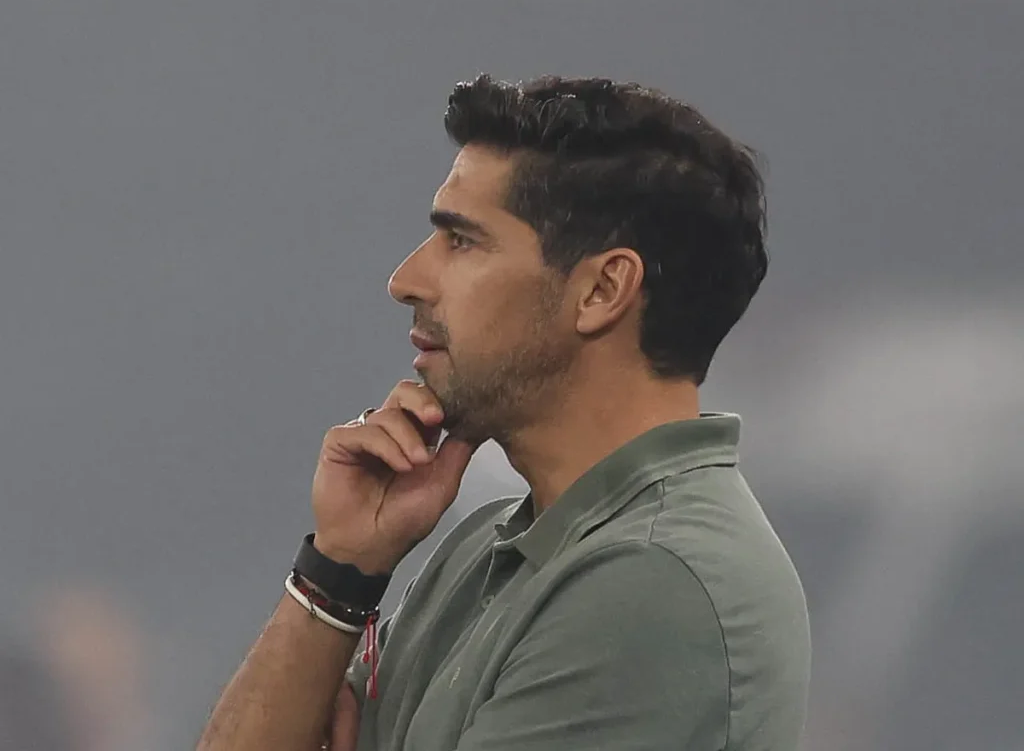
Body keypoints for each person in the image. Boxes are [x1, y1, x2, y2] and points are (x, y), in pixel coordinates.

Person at [197, 74, 811, 751]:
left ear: (602, 290)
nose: (405, 280)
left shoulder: (653, 580)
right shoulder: (482, 549)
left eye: (462, 241)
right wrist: (339, 570)